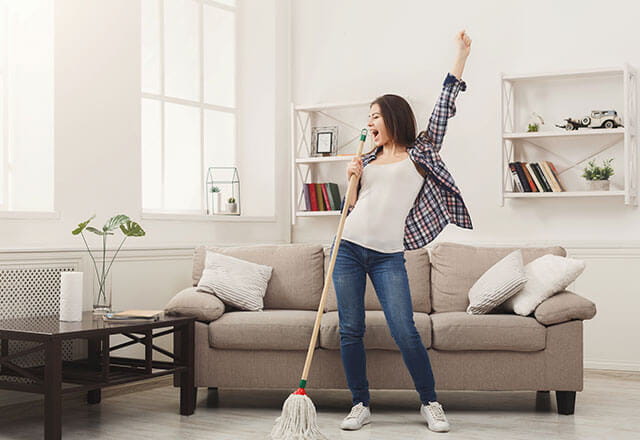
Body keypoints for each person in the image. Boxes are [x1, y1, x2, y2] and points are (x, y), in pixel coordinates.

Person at [329, 30, 473, 433]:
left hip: (389, 254)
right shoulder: (366, 157)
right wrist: (352, 177)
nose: (369, 122)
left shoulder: (421, 152)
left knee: (404, 329)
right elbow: (352, 208)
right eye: (368, 117)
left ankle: (430, 401)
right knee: (350, 329)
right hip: (347, 247)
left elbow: (445, 105)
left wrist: (461, 54)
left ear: (392, 118)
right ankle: (360, 403)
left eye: (375, 115)